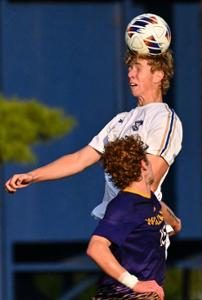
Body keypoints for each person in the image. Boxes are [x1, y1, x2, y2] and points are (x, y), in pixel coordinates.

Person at [5, 48, 182, 224]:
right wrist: (33, 175)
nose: (130, 74)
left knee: (96, 248)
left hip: (139, 232)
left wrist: (171, 221)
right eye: (130, 68)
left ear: (159, 74)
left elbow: (148, 182)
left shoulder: (164, 119)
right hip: (115, 224)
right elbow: (79, 159)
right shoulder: (120, 120)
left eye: (137, 67)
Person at [87, 135, 182, 300]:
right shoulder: (124, 206)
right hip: (123, 295)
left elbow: (159, 206)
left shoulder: (147, 198)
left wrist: (175, 223)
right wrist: (135, 284)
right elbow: (96, 248)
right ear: (142, 165)